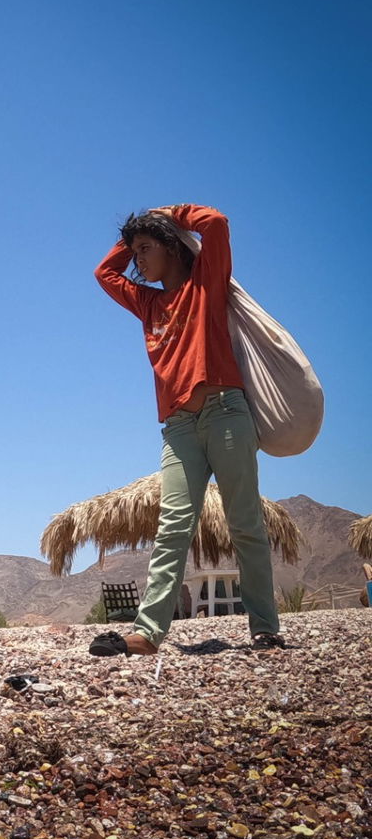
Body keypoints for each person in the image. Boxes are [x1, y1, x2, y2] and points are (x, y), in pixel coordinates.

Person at [90, 205, 282, 656]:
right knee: (174, 524)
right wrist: (135, 235)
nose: (136, 260)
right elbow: (104, 272)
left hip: (226, 413)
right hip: (178, 427)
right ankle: (149, 632)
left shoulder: (204, 285)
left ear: (173, 246)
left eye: (145, 250)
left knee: (245, 523)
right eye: (133, 253)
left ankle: (265, 627)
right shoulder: (147, 302)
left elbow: (214, 224)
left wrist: (169, 216)